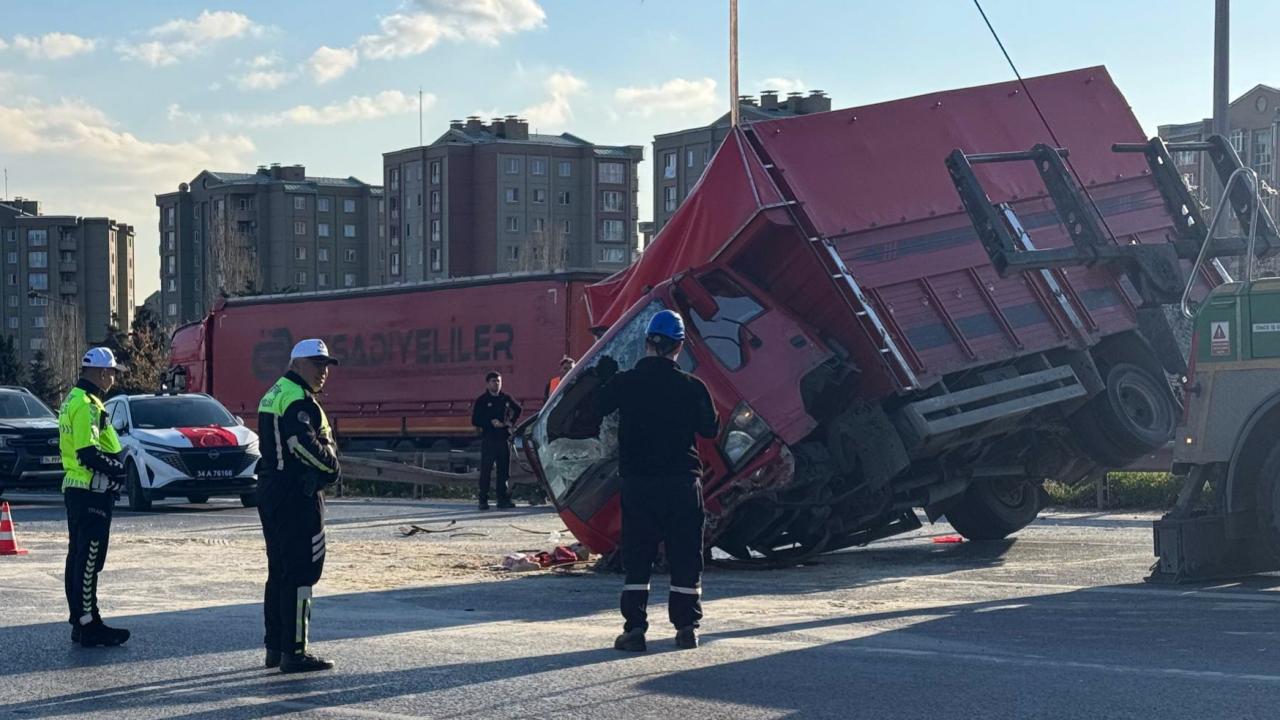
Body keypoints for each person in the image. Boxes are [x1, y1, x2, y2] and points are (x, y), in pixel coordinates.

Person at [595, 310, 719, 652]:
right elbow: (711, 428)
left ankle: (634, 629)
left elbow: (594, 408)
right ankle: (687, 628)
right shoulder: (694, 387)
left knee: (638, 554)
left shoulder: (626, 382)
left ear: (648, 342)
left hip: (639, 483)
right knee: (685, 553)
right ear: (679, 346)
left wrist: (602, 377)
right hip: (682, 481)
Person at [256, 339, 342, 674]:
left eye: (326, 366)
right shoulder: (297, 399)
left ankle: (276, 647)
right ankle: (295, 651)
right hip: (297, 494)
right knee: (303, 571)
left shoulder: (276, 392)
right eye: (316, 365)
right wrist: (331, 468)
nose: (323, 373)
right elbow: (301, 443)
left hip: (274, 490)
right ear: (297, 365)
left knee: (279, 570)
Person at [59, 347, 130, 648]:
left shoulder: (72, 400)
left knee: (78, 558)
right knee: (88, 561)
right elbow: (87, 452)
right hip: (92, 492)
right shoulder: (87, 404)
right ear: (101, 373)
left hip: (79, 490)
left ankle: (81, 620)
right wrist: (120, 471)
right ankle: (89, 623)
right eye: (113, 372)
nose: (114, 377)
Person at [471, 372, 522, 511]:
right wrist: (490, 422)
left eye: (499, 381)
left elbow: (518, 409)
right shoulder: (482, 400)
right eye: (494, 381)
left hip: (503, 439)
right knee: (486, 471)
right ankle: (483, 500)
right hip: (489, 439)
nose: (497, 384)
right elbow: (475, 420)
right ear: (487, 383)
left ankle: (503, 499)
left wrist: (509, 423)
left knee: (503, 472)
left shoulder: (505, 398)